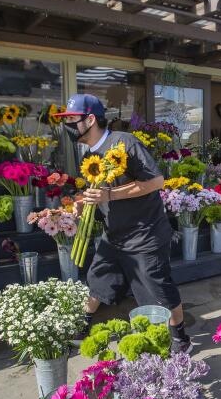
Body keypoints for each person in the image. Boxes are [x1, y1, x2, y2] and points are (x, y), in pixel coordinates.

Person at [54, 94, 192, 353]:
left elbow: (156, 181)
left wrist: (110, 195)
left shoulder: (125, 142)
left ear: (90, 119)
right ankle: (82, 327)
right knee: (98, 279)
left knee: (158, 288)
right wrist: (83, 202)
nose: (69, 125)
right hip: (114, 234)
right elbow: (99, 190)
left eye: (72, 119)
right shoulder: (89, 155)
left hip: (145, 234)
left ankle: (180, 339)